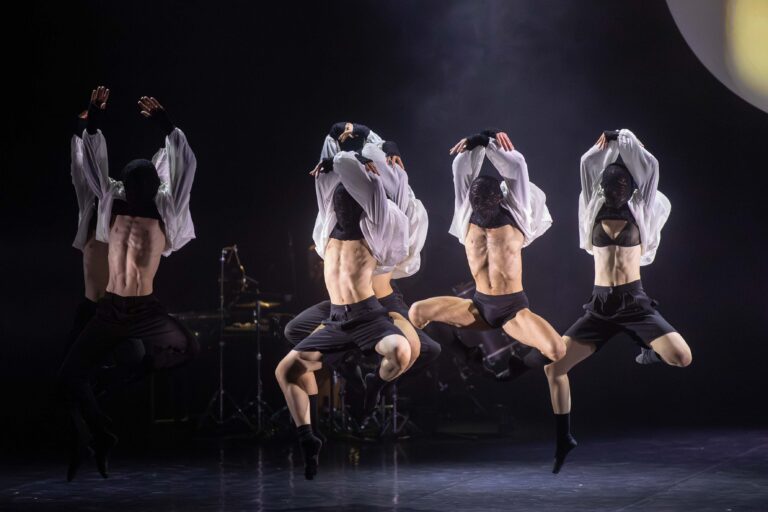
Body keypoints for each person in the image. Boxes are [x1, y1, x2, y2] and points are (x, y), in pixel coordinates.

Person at [59, 87, 199, 481]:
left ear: (153, 186)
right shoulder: (111, 199)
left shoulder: (165, 207)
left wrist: (166, 124)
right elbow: (90, 164)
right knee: (67, 377)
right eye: (133, 184)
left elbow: (185, 166)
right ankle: (101, 434)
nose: (136, 189)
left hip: (145, 309)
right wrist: (94, 119)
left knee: (187, 349)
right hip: (110, 308)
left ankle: (107, 383)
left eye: (143, 184)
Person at [544, 129, 693, 474]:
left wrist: (624, 137)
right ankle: (564, 438)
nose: (614, 190)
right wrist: (606, 142)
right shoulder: (592, 205)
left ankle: (648, 348)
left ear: (630, 188)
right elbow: (586, 163)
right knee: (554, 368)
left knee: (682, 358)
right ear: (602, 186)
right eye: (609, 185)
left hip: (634, 302)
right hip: (600, 307)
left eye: (621, 185)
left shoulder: (642, 206)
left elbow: (651, 165)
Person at [275, 136, 416, 480]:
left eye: (350, 200)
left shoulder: (377, 229)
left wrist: (374, 159)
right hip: (336, 319)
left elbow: (384, 190)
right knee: (285, 370)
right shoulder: (326, 232)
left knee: (401, 352)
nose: (342, 206)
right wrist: (331, 160)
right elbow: (327, 180)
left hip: (367, 315)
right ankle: (308, 438)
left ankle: (373, 384)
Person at [283, 122, 440, 425]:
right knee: (294, 330)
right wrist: (350, 130)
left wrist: (383, 149)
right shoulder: (340, 211)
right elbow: (336, 157)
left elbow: (406, 257)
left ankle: (375, 383)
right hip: (344, 307)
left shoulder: (393, 212)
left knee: (426, 350)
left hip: (381, 303)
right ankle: (346, 364)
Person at [409, 129, 565, 365]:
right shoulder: (466, 214)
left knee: (557, 350)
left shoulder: (517, 214)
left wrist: (488, 139)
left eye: (486, 201)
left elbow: (517, 167)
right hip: (479, 306)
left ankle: (518, 367)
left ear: (499, 198)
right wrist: (474, 142)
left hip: (512, 309)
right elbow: (460, 169)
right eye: (477, 201)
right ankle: (466, 356)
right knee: (416, 312)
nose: (480, 205)